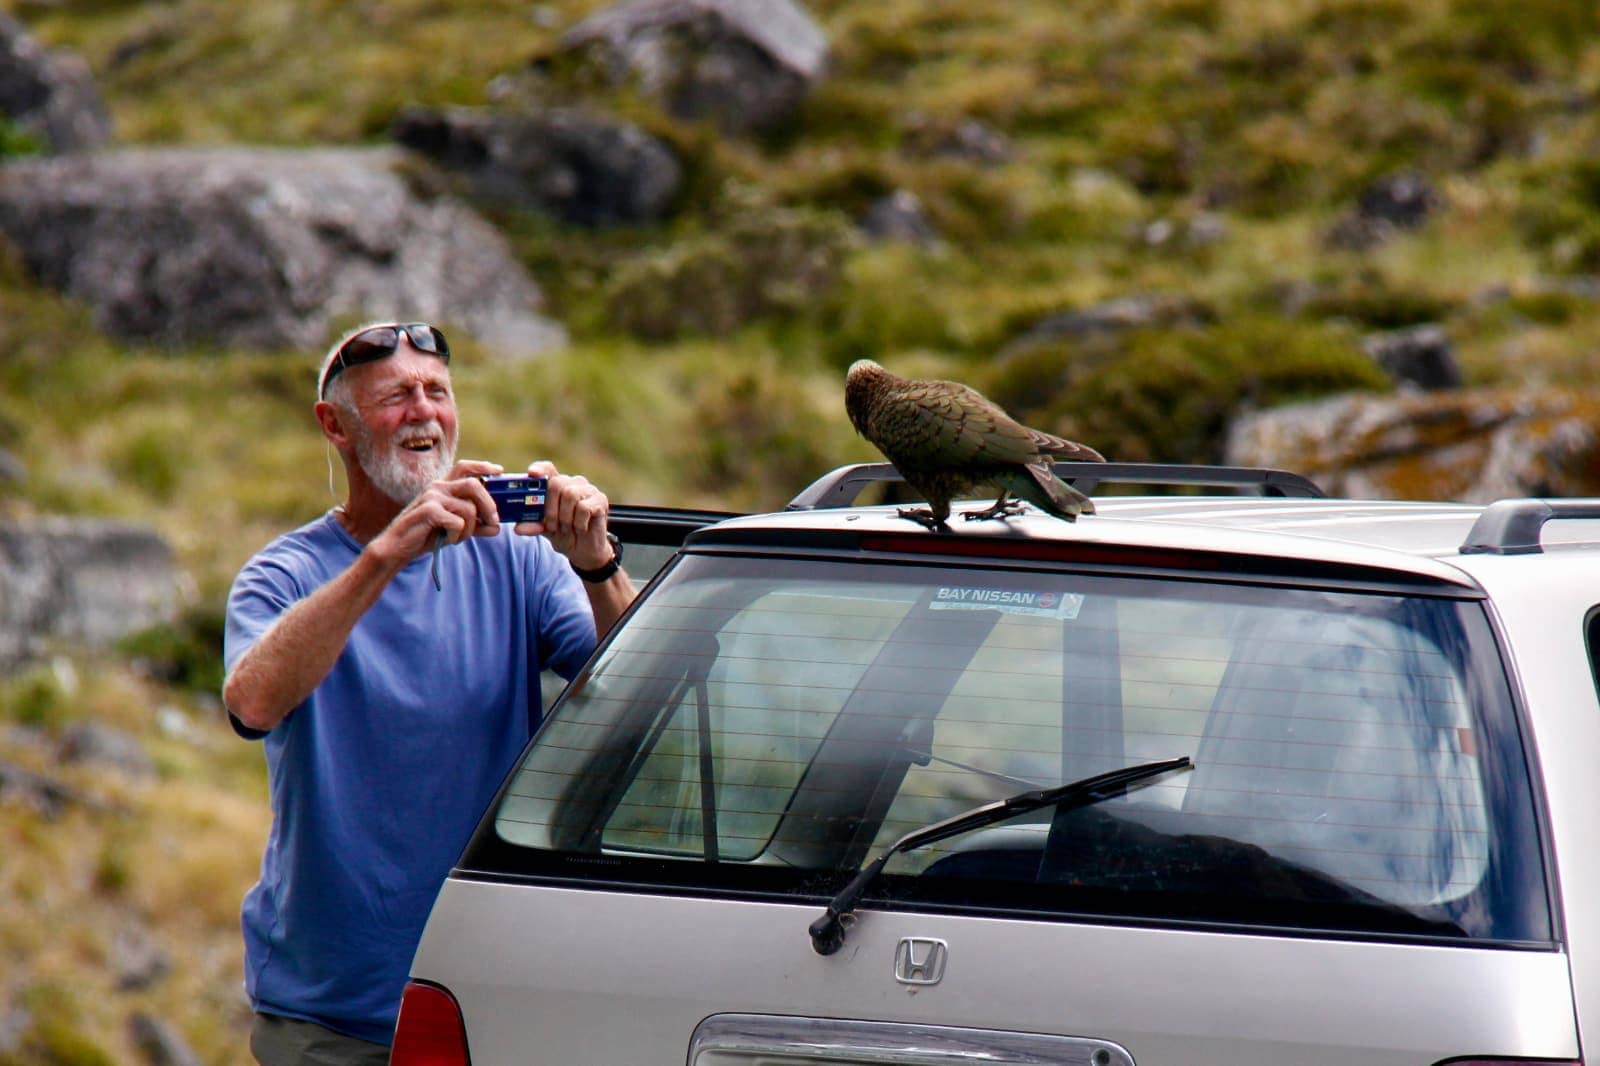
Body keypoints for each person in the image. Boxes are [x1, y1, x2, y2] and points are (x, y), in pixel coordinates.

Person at [221, 321, 633, 1065]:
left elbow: (636, 695)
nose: (423, 410)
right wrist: (386, 555)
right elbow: (251, 704)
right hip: (327, 1017)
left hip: (485, 1002)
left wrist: (597, 565)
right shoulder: (282, 575)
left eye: (437, 392)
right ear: (335, 426)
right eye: (396, 396)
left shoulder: (519, 560)